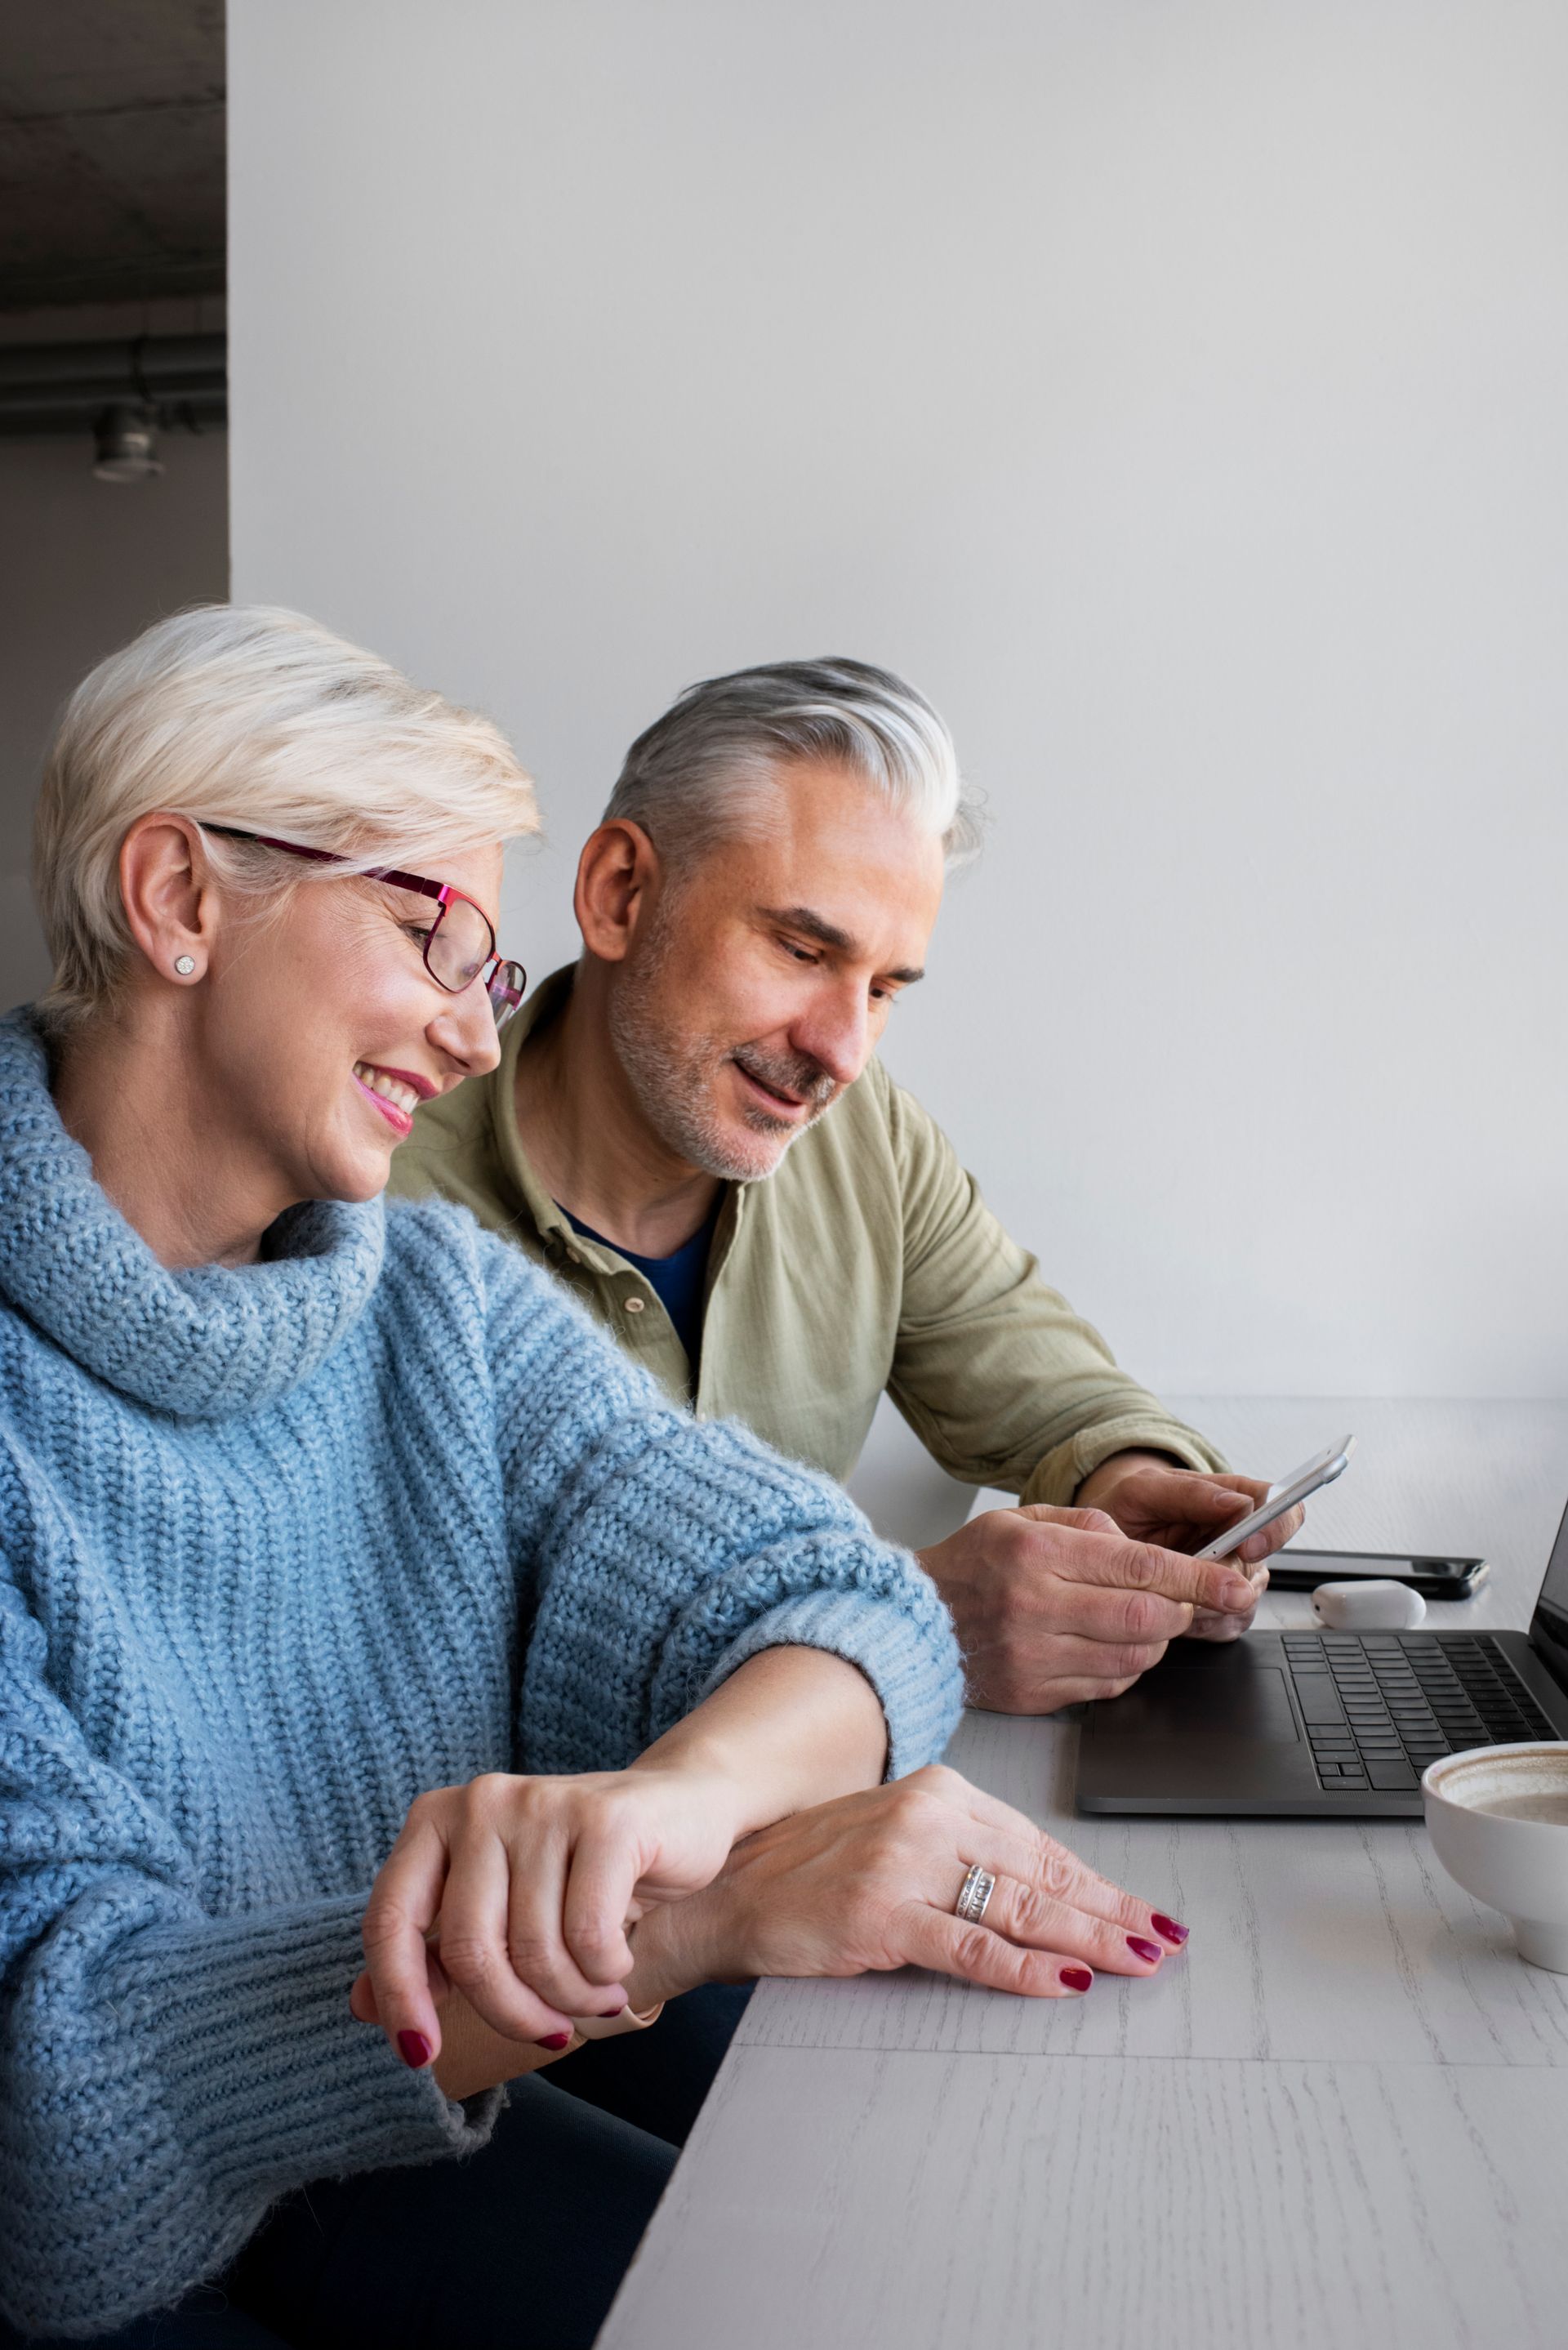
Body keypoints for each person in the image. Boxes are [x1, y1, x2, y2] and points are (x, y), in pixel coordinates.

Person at [0, 609, 1187, 2350]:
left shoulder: (437, 1308)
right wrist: (682, 1911)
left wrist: (680, 1806)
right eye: (432, 931)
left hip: (394, 2118)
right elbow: (67, 2110)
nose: (480, 1036)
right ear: (181, 898)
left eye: (487, 971)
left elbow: (832, 1591)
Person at [390, 658, 1303, 1714]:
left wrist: (1130, 1490)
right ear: (619, 894)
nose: (840, 1049)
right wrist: (897, 1614)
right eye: (800, 948)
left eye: (881, 989)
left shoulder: (864, 1138)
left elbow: (1054, 1393)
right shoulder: (376, 1208)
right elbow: (416, 1685)